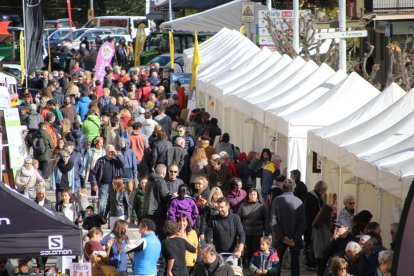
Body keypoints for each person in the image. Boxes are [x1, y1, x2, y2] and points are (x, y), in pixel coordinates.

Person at [270, 178, 306, 276]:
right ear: (294, 188)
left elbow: (273, 221)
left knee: (277, 263)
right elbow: (303, 222)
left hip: (280, 238)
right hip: (294, 238)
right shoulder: (299, 201)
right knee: (295, 264)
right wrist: (295, 237)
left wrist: (282, 236)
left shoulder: (277, 200)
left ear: (282, 187)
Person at [90, 144, 125, 216]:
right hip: (103, 184)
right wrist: (94, 184)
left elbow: (123, 164)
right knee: (102, 203)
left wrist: (117, 155)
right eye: (109, 151)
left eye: (112, 152)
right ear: (106, 151)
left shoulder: (116, 160)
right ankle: (100, 219)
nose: (111, 153)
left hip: (115, 184)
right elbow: (93, 173)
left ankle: (110, 220)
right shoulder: (100, 161)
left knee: (113, 203)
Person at [237, 187, 266, 264]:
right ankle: (247, 264)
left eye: (254, 194)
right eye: (251, 194)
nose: (252, 196)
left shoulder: (261, 206)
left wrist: (266, 232)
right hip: (246, 232)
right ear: (248, 196)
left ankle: (255, 264)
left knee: (256, 250)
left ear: (257, 196)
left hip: (258, 232)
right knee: (248, 250)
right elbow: (238, 219)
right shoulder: (243, 206)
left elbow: (266, 219)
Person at [304, 180, 327, 271]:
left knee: (311, 244)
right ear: (321, 190)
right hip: (312, 226)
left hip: (311, 225)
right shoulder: (314, 197)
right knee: (312, 244)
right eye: (325, 190)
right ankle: (311, 263)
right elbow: (315, 212)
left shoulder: (313, 196)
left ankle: (311, 262)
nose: (325, 192)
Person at [143, 164, 171, 237]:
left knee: (149, 233)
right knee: (158, 234)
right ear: (163, 173)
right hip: (157, 213)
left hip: (147, 211)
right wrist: (172, 196)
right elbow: (165, 196)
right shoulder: (161, 181)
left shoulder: (149, 180)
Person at [312, 205, 333, 276]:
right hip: (324, 250)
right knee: (323, 270)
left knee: (319, 269)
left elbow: (312, 237)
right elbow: (327, 240)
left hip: (317, 249)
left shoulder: (316, 224)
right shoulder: (325, 226)